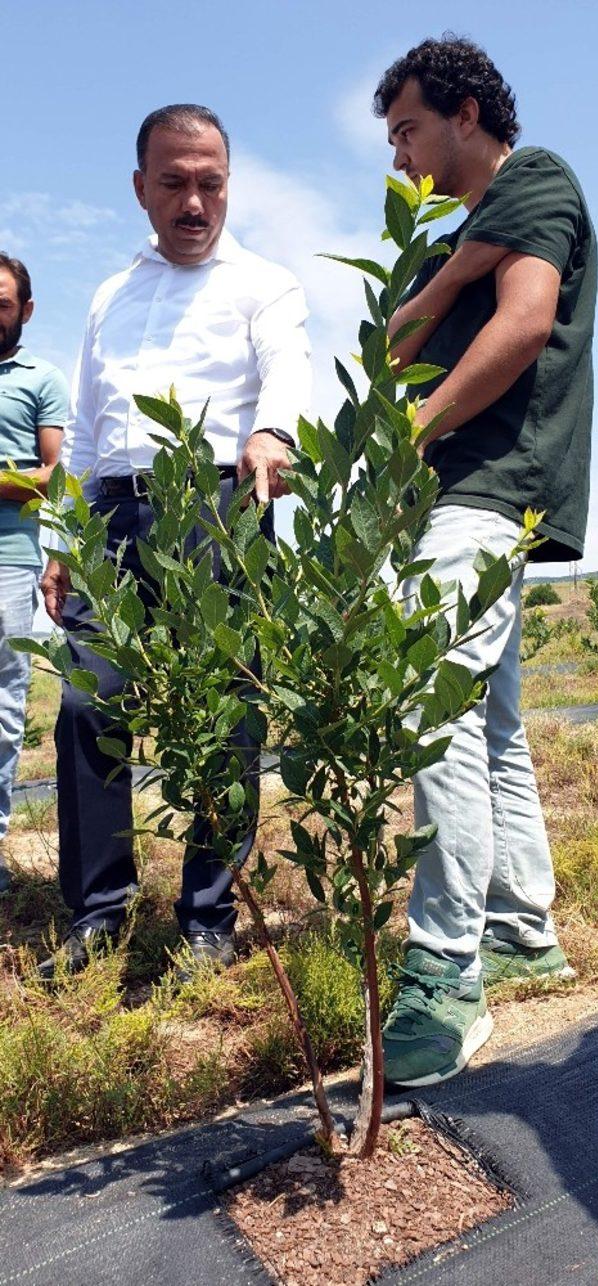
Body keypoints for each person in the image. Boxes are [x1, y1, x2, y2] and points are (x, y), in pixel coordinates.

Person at [39, 104, 310, 979]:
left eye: (211, 183)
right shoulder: (110, 296)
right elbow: (82, 431)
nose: (195, 202)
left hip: (219, 515)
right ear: (139, 189)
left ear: (229, 184)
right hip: (111, 521)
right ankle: (98, 914)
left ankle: (207, 916)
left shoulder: (265, 285)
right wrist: (61, 536)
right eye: (175, 183)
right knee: (88, 706)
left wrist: (274, 432)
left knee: (229, 713)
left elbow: (289, 371)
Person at [372, 36, 597, 1086]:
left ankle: (446, 969)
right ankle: (520, 928)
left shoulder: (538, 176)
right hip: (462, 492)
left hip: (490, 485)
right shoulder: (449, 241)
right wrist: (444, 272)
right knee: (490, 720)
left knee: (432, 702)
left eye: (408, 128)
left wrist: (416, 426)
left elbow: (522, 321)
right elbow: (400, 333)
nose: (399, 154)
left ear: (466, 112)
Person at [0, 255, 67, 894]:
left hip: (7, 561)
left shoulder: (41, 379)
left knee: (0, 705)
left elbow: (54, 477)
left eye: (0, 303)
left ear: (25, 309)